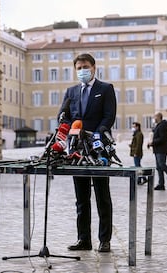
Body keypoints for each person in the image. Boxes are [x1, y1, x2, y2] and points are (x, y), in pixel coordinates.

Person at [59, 53, 117, 253]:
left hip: (98, 148)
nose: (82, 70)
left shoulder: (106, 89)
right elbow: (65, 117)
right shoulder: (71, 91)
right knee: (81, 198)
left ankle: (104, 240)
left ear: (93, 67)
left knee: (102, 196)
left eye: (85, 67)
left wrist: (97, 135)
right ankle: (84, 239)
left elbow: (109, 117)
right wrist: (64, 127)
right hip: (77, 150)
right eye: (78, 68)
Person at [147, 112, 167, 191]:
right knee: (159, 167)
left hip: (161, 150)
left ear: (158, 117)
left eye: (155, 116)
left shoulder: (162, 126)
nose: (154, 118)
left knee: (162, 165)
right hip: (158, 149)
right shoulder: (159, 126)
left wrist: (152, 142)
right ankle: (161, 184)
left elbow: (162, 138)